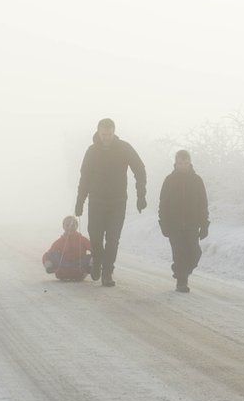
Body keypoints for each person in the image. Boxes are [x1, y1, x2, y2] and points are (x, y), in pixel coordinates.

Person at [75, 118, 147, 287]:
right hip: (96, 201)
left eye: (109, 134)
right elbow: (84, 178)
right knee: (95, 237)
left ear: (114, 132)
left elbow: (139, 169)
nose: (106, 137)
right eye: (103, 134)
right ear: (98, 132)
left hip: (118, 201)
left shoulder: (124, 148)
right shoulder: (92, 151)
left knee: (113, 239)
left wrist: (141, 195)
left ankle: (107, 273)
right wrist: (80, 201)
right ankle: (98, 261)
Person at [158, 149, 209, 293]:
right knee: (179, 253)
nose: (183, 166)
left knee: (194, 253)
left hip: (192, 224)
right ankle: (182, 282)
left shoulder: (197, 180)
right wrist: (163, 223)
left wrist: (204, 225)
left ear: (190, 163)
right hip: (174, 225)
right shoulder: (169, 180)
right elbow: (163, 203)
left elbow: (203, 204)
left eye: (186, 163)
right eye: (180, 163)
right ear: (176, 163)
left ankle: (181, 271)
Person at [42, 216, 93, 281]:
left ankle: (89, 268)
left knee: (95, 254)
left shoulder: (82, 240)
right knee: (47, 255)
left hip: (79, 266)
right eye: (67, 225)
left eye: (72, 225)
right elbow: (49, 254)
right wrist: (49, 265)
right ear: (63, 227)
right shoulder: (59, 241)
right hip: (64, 265)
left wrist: (92, 262)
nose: (70, 228)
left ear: (77, 226)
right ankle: (52, 269)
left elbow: (93, 250)